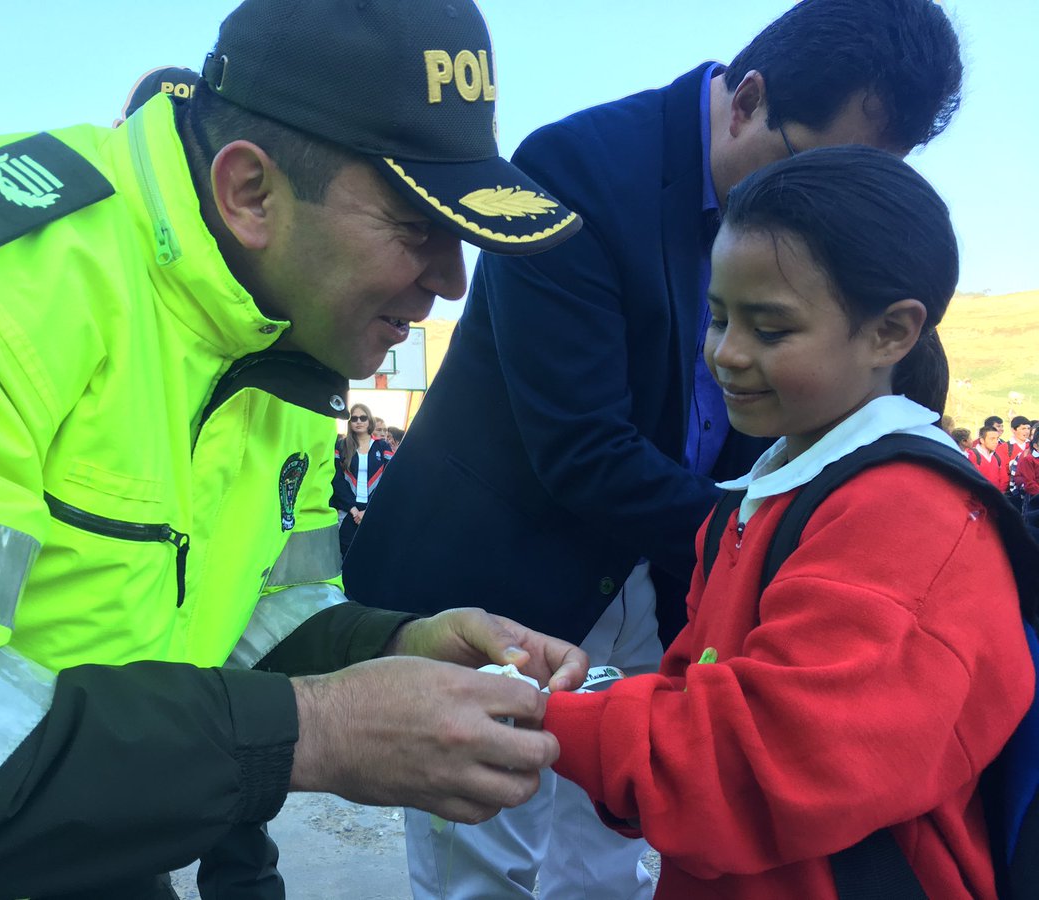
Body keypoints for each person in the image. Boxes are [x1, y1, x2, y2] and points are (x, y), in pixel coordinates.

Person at [0, 2, 591, 899]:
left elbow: (256, 627)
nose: (451, 282)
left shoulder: (284, 335)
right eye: (412, 225)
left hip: (84, 842)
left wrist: (396, 647)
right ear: (249, 193)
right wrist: (321, 730)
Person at [341, 0, 964, 896]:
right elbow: (583, 448)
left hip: (663, 574)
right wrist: (766, 538)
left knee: (613, 845)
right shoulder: (573, 172)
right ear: (747, 101)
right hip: (508, 578)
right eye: (816, 167)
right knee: (488, 855)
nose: (829, 214)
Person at [543, 146, 1033, 899]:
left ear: (891, 334)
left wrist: (551, 722)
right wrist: (594, 702)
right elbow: (691, 692)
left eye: (770, 329)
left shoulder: (910, 519)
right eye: (716, 317)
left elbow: (760, 765)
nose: (726, 354)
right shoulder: (757, 498)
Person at [332, 403, 393, 556]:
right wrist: (353, 509)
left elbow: (389, 480)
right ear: (350, 422)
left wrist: (368, 510)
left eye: (363, 418)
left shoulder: (382, 446)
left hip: (373, 508)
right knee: (344, 554)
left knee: (372, 554)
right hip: (348, 510)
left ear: (369, 421)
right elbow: (336, 479)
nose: (358, 421)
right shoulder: (341, 446)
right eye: (354, 418)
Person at [968, 424, 1010, 491]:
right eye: (992, 439)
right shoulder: (971, 455)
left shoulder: (997, 456)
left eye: (997, 439)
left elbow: (1004, 480)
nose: (996, 442)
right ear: (982, 440)